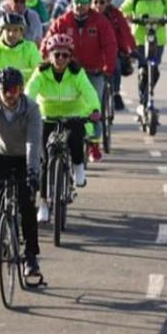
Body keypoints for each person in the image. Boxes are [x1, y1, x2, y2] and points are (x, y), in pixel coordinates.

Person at [0, 67, 43, 278]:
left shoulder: (31, 108)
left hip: (25, 157)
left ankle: (30, 256)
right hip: (1, 154)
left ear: (21, 89)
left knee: (27, 204)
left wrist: (33, 172)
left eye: (15, 90)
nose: (10, 95)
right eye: (6, 90)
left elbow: (33, 141)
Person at [25, 34, 101, 222]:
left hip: (73, 115)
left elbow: (89, 92)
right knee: (43, 160)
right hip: (47, 117)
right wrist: (25, 108)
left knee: (76, 137)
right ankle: (43, 203)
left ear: (70, 57)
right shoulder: (41, 73)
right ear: (49, 55)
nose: (60, 59)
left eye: (65, 56)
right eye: (56, 55)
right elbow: (30, 91)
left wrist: (94, 109)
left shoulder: (77, 73)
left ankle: (78, 167)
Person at [43, 0, 117, 164]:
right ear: (71, 2)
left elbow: (110, 44)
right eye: (76, 1)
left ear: (89, 3)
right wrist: (45, 62)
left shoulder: (100, 21)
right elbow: (48, 42)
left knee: (94, 107)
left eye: (84, 2)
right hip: (69, 70)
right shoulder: (62, 21)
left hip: (94, 71)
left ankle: (93, 143)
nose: (79, 5)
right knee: (64, 104)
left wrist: (108, 67)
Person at [119, 0, 167, 119]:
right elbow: (123, 8)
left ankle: (149, 93)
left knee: (154, 69)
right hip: (139, 39)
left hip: (157, 39)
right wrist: (126, 16)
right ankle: (143, 100)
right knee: (143, 70)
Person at [91, 0, 136, 112]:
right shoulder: (88, 15)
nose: (98, 5)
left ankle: (116, 93)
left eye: (102, 2)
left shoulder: (116, 15)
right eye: (95, 2)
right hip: (92, 52)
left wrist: (133, 49)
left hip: (114, 50)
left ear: (108, 2)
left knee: (115, 65)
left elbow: (126, 32)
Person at [0, 13, 42, 93]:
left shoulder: (30, 48)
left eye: (15, 30)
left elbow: (39, 70)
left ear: (21, 32)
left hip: (24, 97)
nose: (11, 34)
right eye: (8, 30)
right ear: (1, 32)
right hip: (0, 96)